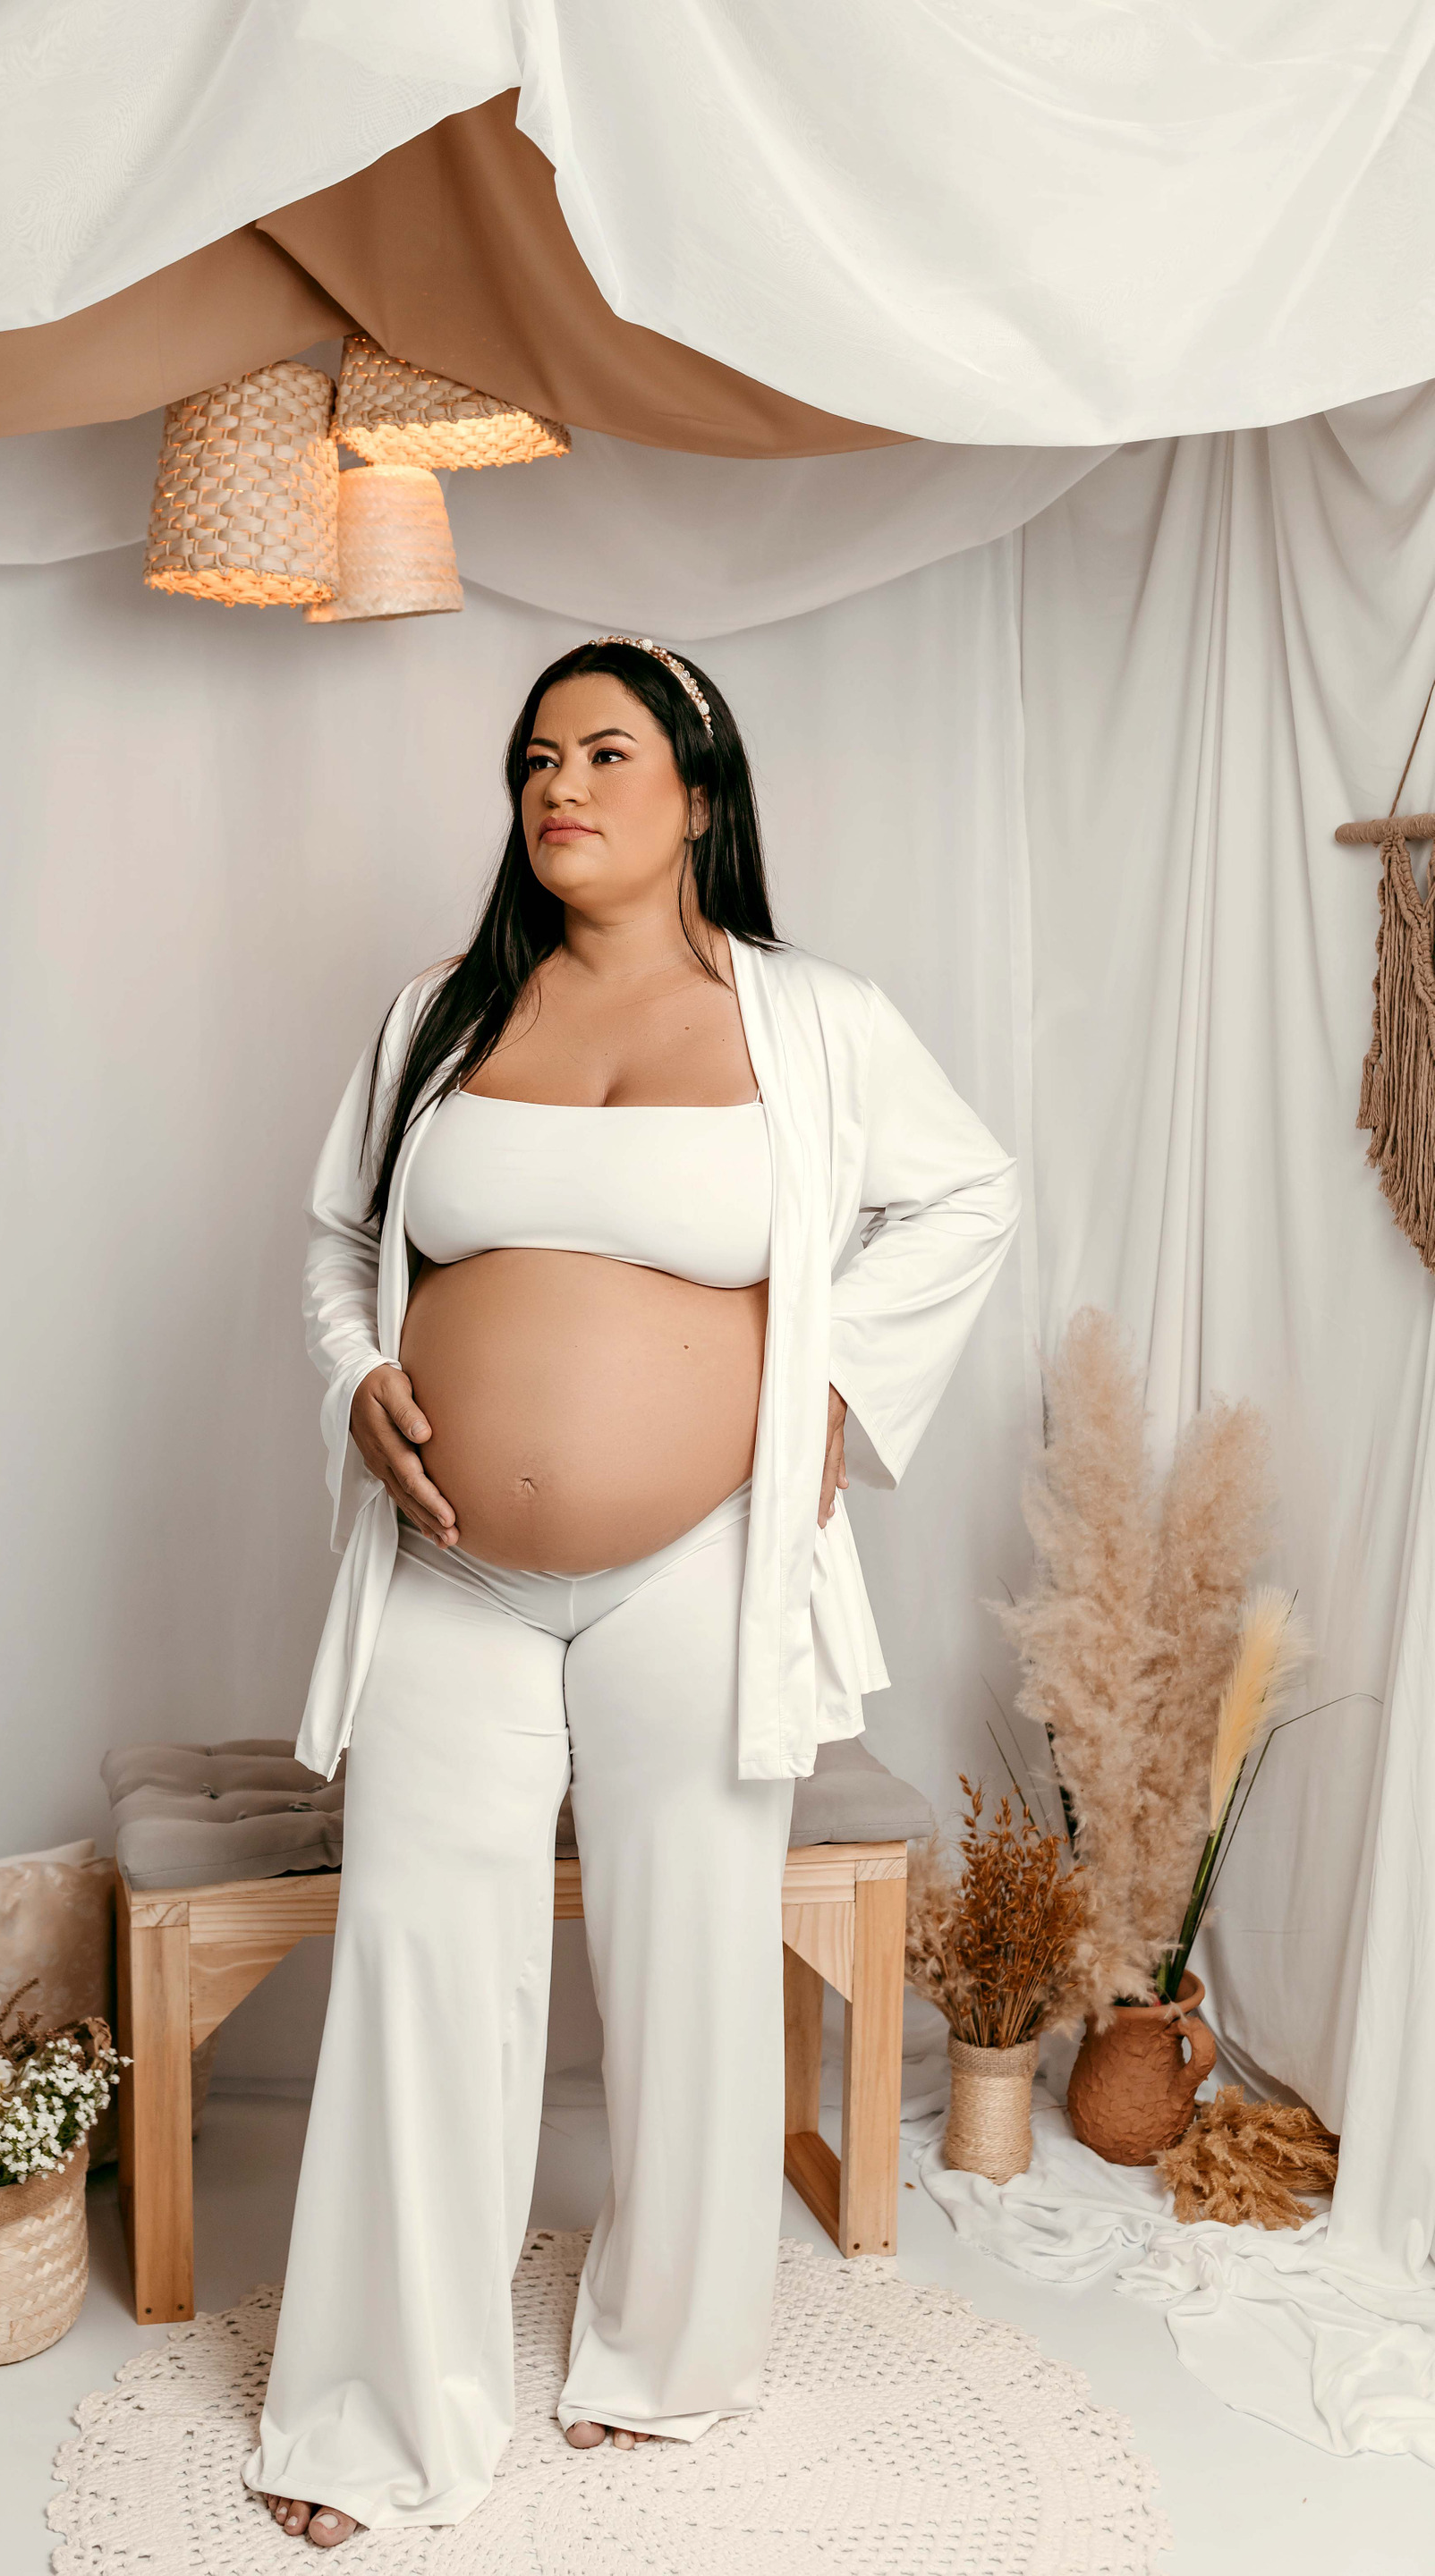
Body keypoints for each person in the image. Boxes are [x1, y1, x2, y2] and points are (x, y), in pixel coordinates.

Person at [244, 636, 1021, 2545]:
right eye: (534, 759)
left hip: (704, 1563)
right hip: (450, 1566)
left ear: (699, 794)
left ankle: (666, 2360)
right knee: (422, 1954)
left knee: (688, 1951)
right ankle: (375, 2409)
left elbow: (968, 1193)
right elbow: (340, 1238)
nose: (558, 787)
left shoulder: (809, 1021)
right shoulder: (436, 1015)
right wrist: (358, 1376)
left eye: (603, 753)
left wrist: (836, 1392)